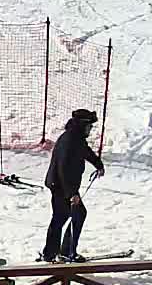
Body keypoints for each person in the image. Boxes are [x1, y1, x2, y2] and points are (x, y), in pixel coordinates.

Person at [42, 108, 105, 263]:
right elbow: (63, 168)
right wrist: (72, 194)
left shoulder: (75, 138)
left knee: (61, 218)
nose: (90, 129)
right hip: (61, 186)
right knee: (75, 214)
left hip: (61, 185)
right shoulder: (69, 141)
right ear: (81, 125)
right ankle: (65, 252)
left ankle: (52, 253)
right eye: (89, 126)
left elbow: (86, 151)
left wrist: (98, 164)